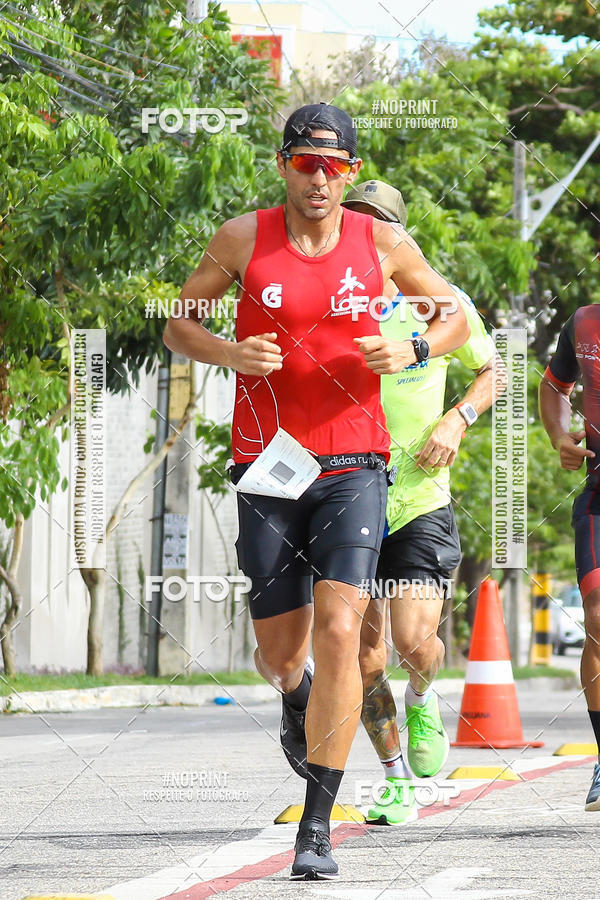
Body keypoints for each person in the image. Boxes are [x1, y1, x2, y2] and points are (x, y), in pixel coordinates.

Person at [164, 104, 469, 879]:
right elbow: (177, 325)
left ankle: (318, 826)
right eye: (306, 163)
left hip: (353, 464)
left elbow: (456, 318)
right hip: (267, 466)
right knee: (280, 653)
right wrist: (229, 350)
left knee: (343, 629)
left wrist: (414, 345)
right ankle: (299, 702)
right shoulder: (242, 238)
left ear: (352, 174)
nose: (320, 178)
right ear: (283, 165)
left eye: (334, 167)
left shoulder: (382, 243)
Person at [343, 180, 501, 824]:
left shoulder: (439, 303)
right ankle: (395, 776)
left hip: (417, 496)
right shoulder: (331, 303)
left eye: (379, 225)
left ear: (399, 237)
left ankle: (424, 693)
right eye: (359, 221)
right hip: (344, 492)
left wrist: (457, 419)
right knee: (363, 653)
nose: (367, 233)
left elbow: (495, 368)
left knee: (414, 641)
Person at [539, 307, 600, 812]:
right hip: (599, 492)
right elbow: (553, 385)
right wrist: (560, 436)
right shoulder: (582, 324)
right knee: (599, 617)